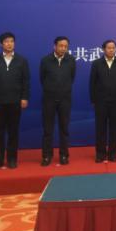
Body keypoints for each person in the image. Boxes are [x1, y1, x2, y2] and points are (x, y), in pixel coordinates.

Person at [0, 32, 30, 169]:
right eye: (6, 41)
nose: (9, 44)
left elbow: (26, 81)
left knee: (13, 132)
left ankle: (12, 159)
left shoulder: (22, 60)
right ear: (1, 44)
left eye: (11, 41)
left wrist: (24, 97)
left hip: (15, 102)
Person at [89, 39, 116, 163]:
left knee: (114, 128)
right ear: (103, 49)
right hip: (100, 101)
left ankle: (113, 153)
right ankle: (100, 153)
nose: (111, 50)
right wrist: (93, 99)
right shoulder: (97, 63)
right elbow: (92, 83)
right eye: (109, 48)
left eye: (113, 48)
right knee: (100, 128)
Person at [39, 36, 76, 166]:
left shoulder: (71, 60)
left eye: (66, 46)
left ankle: (64, 155)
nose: (63, 48)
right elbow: (42, 79)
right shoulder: (46, 60)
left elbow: (72, 78)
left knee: (64, 129)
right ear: (54, 46)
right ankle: (46, 156)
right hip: (49, 100)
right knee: (47, 130)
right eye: (61, 46)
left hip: (65, 100)